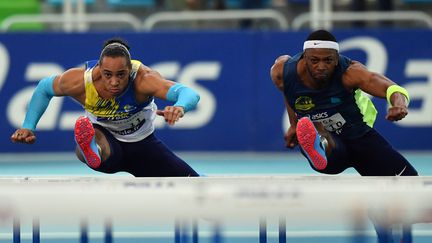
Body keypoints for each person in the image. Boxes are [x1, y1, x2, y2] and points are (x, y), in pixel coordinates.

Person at [270, 29, 418, 242]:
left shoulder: (351, 72)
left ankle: (386, 228)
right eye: (314, 60)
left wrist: (399, 105)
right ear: (304, 58)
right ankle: (317, 148)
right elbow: (290, 93)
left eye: (328, 60)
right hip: (331, 143)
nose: (321, 66)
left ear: (337, 59)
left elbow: (392, 88)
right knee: (327, 142)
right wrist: (294, 125)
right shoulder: (282, 71)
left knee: (414, 191)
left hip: (359, 137)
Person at [10, 38, 200, 177]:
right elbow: (44, 88)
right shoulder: (81, 81)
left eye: (121, 75)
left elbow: (190, 93)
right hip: (108, 147)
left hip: (144, 147)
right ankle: (91, 150)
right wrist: (28, 126)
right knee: (91, 131)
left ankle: (93, 149)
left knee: (197, 187)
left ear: (130, 70)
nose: (114, 82)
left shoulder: (144, 79)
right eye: (108, 74)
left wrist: (180, 107)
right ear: (99, 68)